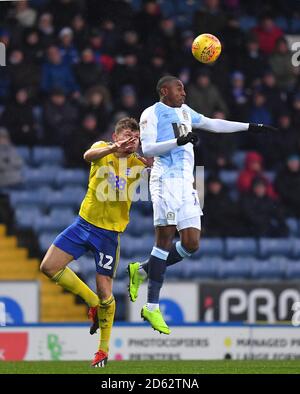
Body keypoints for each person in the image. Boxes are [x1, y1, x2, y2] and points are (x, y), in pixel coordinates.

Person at [127, 75, 277, 335]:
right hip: (166, 182)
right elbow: (148, 149)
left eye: (184, 88)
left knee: (191, 244)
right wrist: (179, 141)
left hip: (187, 183)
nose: (184, 92)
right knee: (164, 240)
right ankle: (151, 306)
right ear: (164, 91)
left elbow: (213, 124)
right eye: (179, 88)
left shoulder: (185, 111)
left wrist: (250, 126)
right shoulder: (151, 113)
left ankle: (141, 270)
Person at [40, 117, 148, 367]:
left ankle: (103, 349)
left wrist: (149, 156)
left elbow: (157, 168)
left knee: (105, 290)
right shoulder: (102, 149)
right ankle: (92, 304)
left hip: (109, 235)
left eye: (136, 138)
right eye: (127, 137)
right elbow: (88, 155)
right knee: (48, 267)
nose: (132, 142)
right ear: (115, 136)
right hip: (83, 225)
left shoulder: (138, 164)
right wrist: (114, 148)